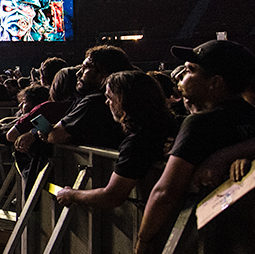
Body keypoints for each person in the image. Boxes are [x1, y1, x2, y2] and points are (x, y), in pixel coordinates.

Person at [134, 41, 255, 254]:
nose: (181, 78)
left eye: (190, 70)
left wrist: (144, 237)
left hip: (206, 245)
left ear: (215, 82)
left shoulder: (200, 123)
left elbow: (166, 192)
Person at [55, 70, 178, 211]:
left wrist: (71, 195)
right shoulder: (174, 124)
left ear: (124, 100)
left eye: (110, 97)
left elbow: (112, 195)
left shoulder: (137, 143)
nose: (107, 103)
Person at [46, 45, 133, 150]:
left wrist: (49, 133)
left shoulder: (93, 102)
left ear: (103, 73)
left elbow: (56, 136)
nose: (78, 73)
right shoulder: (133, 97)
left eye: (85, 68)